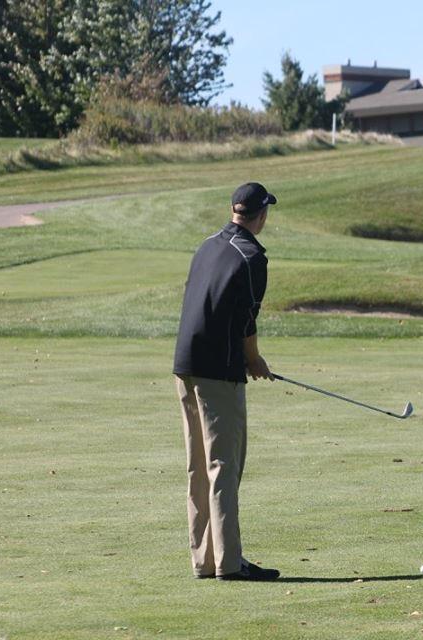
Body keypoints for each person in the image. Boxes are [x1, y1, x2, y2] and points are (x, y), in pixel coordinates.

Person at [172, 182, 280, 581]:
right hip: (219, 372)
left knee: (199, 466)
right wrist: (254, 360)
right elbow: (247, 320)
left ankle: (206, 561)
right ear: (261, 214)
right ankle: (230, 565)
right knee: (223, 466)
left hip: (185, 366)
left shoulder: (207, 244)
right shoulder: (252, 257)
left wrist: (248, 359)